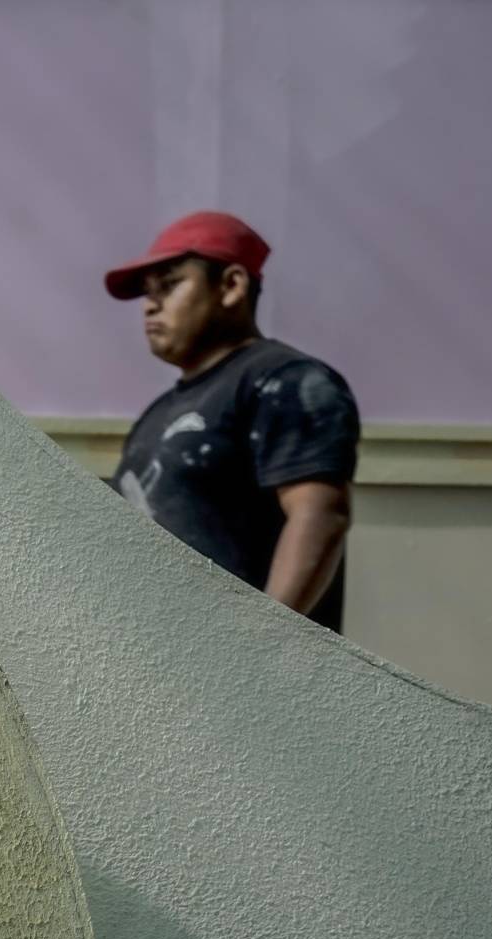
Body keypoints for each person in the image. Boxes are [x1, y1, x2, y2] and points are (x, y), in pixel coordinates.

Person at [104, 211, 359, 630]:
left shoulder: (283, 380)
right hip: (161, 656)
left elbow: (319, 513)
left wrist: (264, 641)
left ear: (231, 286)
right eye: (148, 293)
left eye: (169, 285)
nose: (150, 305)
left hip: (241, 662)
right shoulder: (160, 411)